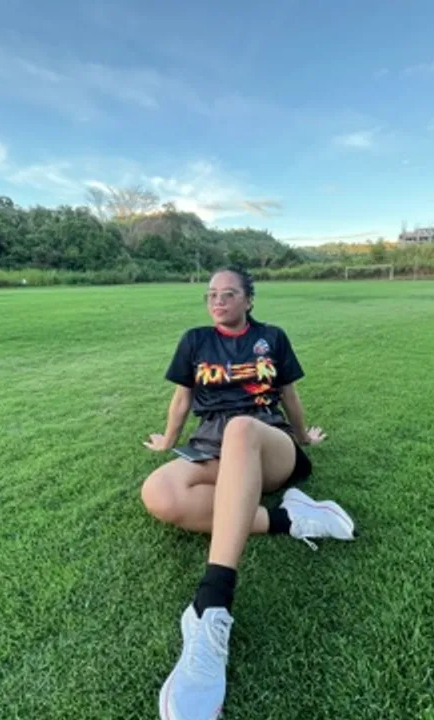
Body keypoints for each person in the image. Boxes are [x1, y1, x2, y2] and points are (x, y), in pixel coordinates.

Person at [141, 267, 356, 720]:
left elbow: (289, 394)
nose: (218, 301)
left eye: (229, 293)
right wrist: (168, 439)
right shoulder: (195, 340)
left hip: (268, 442)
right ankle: (288, 519)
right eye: (211, 295)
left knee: (241, 427)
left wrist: (304, 436)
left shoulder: (271, 337)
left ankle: (211, 605)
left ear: (249, 299)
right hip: (212, 444)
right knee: (159, 492)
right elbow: (182, 399)